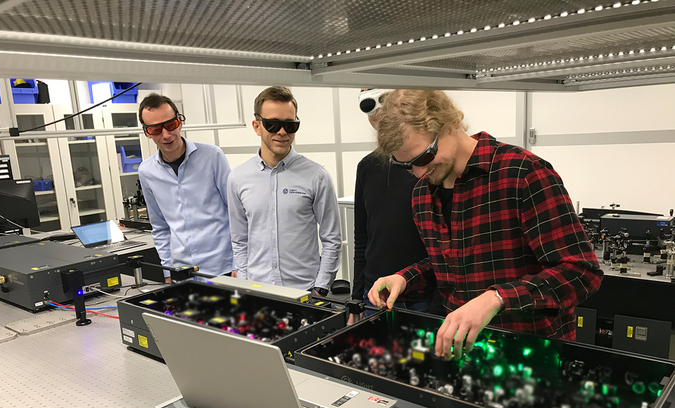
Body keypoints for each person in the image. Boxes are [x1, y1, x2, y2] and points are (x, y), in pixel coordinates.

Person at [367, 89, 603, 360]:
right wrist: (405, 278)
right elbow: (452, 265)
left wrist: (497, 299)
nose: (419, 173)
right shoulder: (423, 194)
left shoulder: (523, 174)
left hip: (532, 357)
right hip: (467, 357)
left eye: (423, 158)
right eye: (405, 166)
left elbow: (581, 272)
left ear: (448, 126)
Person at [227, 86, 341, 295]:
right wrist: (244, 283)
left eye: (290, 125)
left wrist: (321, 287)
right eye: (272, 125)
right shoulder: (237, 178)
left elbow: (331, 238)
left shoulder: (317, 176)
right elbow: (239, 239)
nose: (282, 132)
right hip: (257, 292)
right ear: (256, 126)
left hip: (305, 292)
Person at [351, 89, 432, 320]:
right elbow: (362, 238)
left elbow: (443, 246)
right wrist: (356, 300)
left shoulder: (430, 165)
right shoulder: (367, 167)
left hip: (421, 297)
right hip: (374, 295)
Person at [137, 93, 235, 280]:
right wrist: (167, 269)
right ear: (147, 132)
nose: (166, 135)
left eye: (170, 125)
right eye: (156, 129)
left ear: (179, 121)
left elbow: (236, 213)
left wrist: (238, 264)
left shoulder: (212, 156)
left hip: (222, 268)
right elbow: (159, 226)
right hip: (181, 272)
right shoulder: (146, 171)